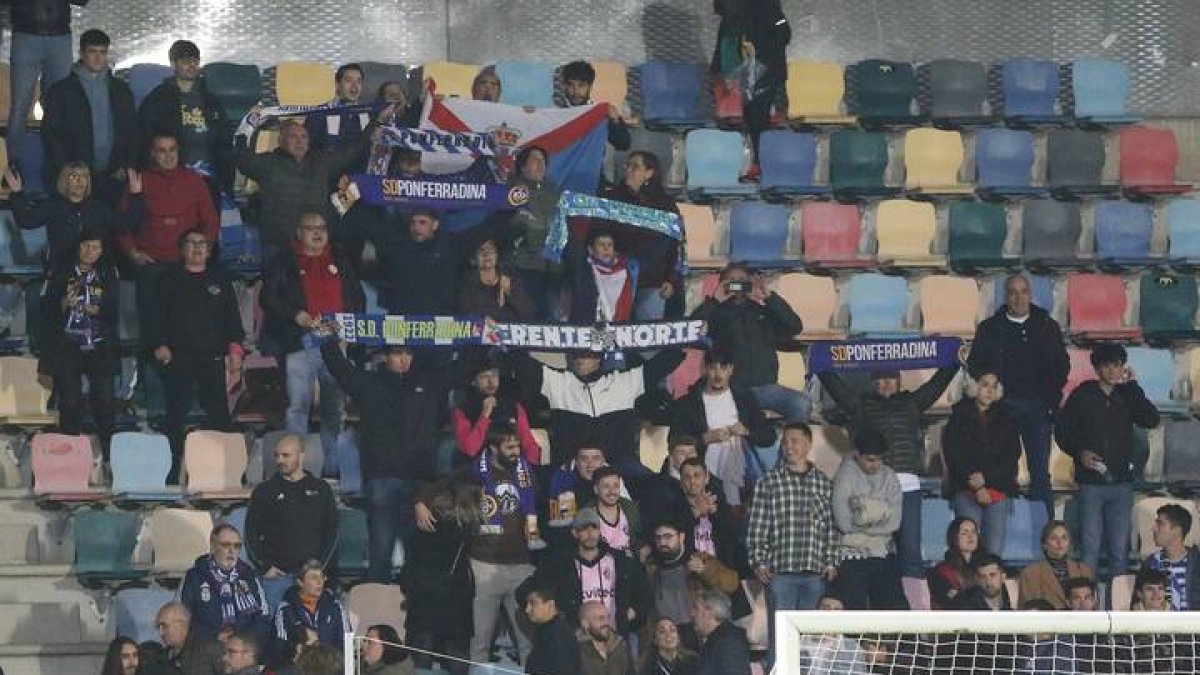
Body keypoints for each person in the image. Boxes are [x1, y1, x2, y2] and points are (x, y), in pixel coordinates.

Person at [320, 327, 460, 582]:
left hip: (421, 484)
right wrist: (329, 340)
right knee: (381, 554)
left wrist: (484, 337)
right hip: (382, 480)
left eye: (408, 353)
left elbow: (463, 370)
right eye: (397, 353)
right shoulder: (369, 384)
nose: (404, 359)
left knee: (419, 555)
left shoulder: (430, 383)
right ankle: (377, 616)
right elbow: (340, 369)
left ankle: (415, 614)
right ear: (385, 356)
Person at [818, 360, 959, 580]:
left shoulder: (912, 402)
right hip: (875, 486)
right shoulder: (860, 404)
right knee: (874, 549)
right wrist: (820, 362)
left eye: (891, 378)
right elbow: (836, 388)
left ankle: (912, 605)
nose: (886, 384)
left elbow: (938, 383)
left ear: (898, 380)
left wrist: (954, 360)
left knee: (910, 550)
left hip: (908, 486)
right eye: (881, 379)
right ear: (873, 382)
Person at [420, 425, 539, 665]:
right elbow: (433, 490)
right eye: (510, 447)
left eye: (518, 446)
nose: (517, 452)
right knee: (480, 640)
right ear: (493, 448)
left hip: (521, 565)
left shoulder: (526, 471)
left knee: (527, 640)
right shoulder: (471, 473)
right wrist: (419, 503)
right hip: (484, 566)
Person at [261, 212, 364, 468]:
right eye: (310, 228)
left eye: (322, 228)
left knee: (334, 408)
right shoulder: (284, 260)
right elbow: (268, 297)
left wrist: (350, 324)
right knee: (298, 406)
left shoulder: (339, 257)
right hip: (301, 342)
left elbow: (357, 295)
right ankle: (295, 467)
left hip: (336, 342)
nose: (317, 233)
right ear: (299, 232)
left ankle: (332, 468)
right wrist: (295, 315)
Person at [968, 273, 1070, 519]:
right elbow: (975, 365)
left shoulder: (1047, 326)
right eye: (1013, 292)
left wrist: (1050, 400)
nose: (1018, 297)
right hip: (1002, 408)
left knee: (1040, 474)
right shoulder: (989, 328)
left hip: (1038, 408)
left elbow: (1061, 367)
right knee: (1001, 471)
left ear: (1030, 295)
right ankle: (1006, 527)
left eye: (1023, 291)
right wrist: (992, 389)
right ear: (1006, 296)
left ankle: (1043, 530)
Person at [1057, 343, 1160, 580]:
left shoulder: (1127, 394)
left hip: (1121, 483)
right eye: (1108, 366)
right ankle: (1086, 604)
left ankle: (1117, 607)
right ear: (1097, 368)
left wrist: (1133, 386)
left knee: (1119, 552)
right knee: (1090, 550)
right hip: (1091, 483)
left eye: (1118, 365)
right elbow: (1062, 432)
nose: (1114, 371)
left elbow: (1150, 418)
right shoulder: (1082, 394)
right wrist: (1079, 452)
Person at [148, 228, 244, 480]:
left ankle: (231, 472)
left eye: (203, 243)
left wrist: (235, 353)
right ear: (182, 250)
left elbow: (233, 320)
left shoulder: (219, 280)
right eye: (191, 243)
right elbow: (154, 318)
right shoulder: (168, 280)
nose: (198, 248)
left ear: (209, 251)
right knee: (175, 417)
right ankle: (169, 470)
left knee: (221, 417)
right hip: (178, 358)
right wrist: (159, 344)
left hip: (212, 358)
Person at [235, 102, 390, 252]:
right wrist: (249, 122)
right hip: (280, 248)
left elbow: (353, 151)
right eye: (293, 137)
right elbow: (242, 157)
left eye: (304, 137)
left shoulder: (322, 162)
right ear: (281, 141)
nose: (299, 141)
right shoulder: (267, 164)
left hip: (316, 249)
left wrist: (377, 121)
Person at [511, 345, 684, 472]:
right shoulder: (558, 381)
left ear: (599, 357)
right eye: (576, 354)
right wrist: (501, 336)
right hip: (572, 468)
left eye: (586, 354)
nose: (579, 359)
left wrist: (686, 335)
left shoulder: (623, 382)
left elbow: (663, 364)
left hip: (619, 467)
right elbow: (522, 365)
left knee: (649, 483)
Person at [747, 423, 836, 664]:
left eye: (794, 441)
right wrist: (758, 561)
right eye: (785, 442)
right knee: (780, 636)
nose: (789, 446)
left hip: (813, 573)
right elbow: (757, 525)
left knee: (808, 638)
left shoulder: (824, 483)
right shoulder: (768, 483)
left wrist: (830, 561)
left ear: (808, 444)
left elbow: (830, 528)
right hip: (781, 573)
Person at [121, 133, 221, 338]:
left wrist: (201, 252)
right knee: (152, 331)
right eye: (162, 151)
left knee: (187, 328)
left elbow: (210, 221)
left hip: (186, 268)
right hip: (152, 267)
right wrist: (133, 253)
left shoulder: (194, 180)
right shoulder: (141, 181)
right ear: (152, 154)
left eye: (172, 149)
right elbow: (122, 225)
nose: (168, 156)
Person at [691, 263, 808, 422]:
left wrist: (770, 297)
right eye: (731, 280)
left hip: (767, 387)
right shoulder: (715, 312)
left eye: (741, 280)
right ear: (722, 284)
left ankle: (790, 444)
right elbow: (690, 329)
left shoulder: (762, 310)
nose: (737, 283)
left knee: (800, 403)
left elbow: (795, 327)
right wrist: (715, 300)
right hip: (732, 389)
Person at [42, 228, 119, 458]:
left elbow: (113, 311)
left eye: (95, 247)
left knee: (105, 402)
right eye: (86, 246)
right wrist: (63, 303)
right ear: (78, 247)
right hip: (68, 346)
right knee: (70, 403)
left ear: (102, 251)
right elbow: (45, 308)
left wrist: (95, 309)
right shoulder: (60, 272)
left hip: (98, 345)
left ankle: (107, 454)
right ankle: (70, 454)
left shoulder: (108, 273)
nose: (90, 251)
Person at [669, 346, 776, 507]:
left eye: (723, 368)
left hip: (743, 473)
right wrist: (705, 438)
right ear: (705, 369)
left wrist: (746, 432)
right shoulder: (689, 403)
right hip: (707, 477)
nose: (718, 375)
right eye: (713, 368)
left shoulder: (744, 398)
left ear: (731, 369)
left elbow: (769, 436)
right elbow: (674, 442)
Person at [520, 507, 652, 638]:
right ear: (575, 533)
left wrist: (628, 614)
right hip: (579, 643)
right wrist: (557, 621)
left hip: (616, 640)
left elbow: (645, 593)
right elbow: (524, 592)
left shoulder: (621, 561)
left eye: (594, 528)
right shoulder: (560, 565)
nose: (590, 533)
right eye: (584, 528)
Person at [41, 29, 138, 204]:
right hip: (75, 179)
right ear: (81, 53)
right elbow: (50, 132)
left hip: (114, 177)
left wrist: (125, 166)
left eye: (102, 52)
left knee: (110, 228)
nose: (98, 58)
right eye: (92, 52)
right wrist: (67, 170)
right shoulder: (61, 90)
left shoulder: (121, 90)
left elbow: (132, 131)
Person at [404, 477, 480, 675]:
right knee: (456, 658)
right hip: (454, 598)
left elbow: (411, 560)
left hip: (423, 599)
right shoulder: (466, 525)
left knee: (420, 661)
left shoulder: (424, 523)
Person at [942, 370, 1022, 556]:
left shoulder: (1007, 419)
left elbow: (1011, 456)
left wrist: (985, 480)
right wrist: (977, 486)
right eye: (985, 384)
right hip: (966, 489)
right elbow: (954, 456)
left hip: (998, 489)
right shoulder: (958, 417)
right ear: (973, 386)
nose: (989, 390)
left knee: (994, 551)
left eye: (994, 386)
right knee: (966, 550)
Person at [246, 434, 338, 591]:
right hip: (277, 578)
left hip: (313, 577)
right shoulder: (264, 491)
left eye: (286, 455)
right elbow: (250, 534)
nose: (279, 461)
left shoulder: (322, 489)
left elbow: (332, 532)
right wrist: (266, 567)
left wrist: (319, 568)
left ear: (301, 456)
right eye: (277, 456)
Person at [138, 40, 232, 192]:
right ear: (173, 65)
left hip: (209, 176)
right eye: (186, 62)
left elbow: (224, 140)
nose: (192, 66)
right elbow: (144, 136)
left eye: (195, 61)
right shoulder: (158, 98)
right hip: (171, 176)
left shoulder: (211, 100)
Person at [711, 0, 790, 177]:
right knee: (752, 120)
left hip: (766, 72)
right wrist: (717, 71)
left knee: (760, 119)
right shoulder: (730, 19)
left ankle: (765, 165)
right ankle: (758, 163)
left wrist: (758, 49)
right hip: (746, 74)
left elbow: (784, 34)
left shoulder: (768, 7)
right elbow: (724, 43)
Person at [831, 429, 907, 610]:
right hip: (852, 557)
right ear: (858, 454)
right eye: (870, 460)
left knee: (893, 615)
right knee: (854, 617)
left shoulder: (890, 476)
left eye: (879, 459)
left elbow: (894, 523)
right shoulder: (844, 475)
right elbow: (843, 523)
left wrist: (862, 515)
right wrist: (881, 513)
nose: (876, 465)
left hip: (884, 554)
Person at [8, 1, 90, 166]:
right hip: (26, 34)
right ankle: (12, 164)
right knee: (21, 104)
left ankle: (62, 164)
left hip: (59, 35)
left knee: (60, 104)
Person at [602, 151, 681, 321]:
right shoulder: (612, 199)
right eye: (627, 166)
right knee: (613, 334)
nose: (629, 170)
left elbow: (676, 244)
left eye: (635, 166)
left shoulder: (665, 205)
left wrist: (671, 279)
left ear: (649, 173)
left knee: (647, 339)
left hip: (653, 281)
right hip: (616, 279)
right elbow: (600, 235)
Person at [6, 162, 125, 271]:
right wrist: (17, 193)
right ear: (65, 181)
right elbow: (26, 221)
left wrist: (136, 195)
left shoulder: (98, 208)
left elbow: (125, 225)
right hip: (61, 270)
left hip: (94, 272)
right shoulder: (53, 206)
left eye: (84, 176)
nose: (80, 181)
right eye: (74, 176)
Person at [643, 519, 739, 651]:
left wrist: (704, 570)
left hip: (696, 632)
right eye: (658, 538)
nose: (662, 543)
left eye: (668, 537)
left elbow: (731, 583)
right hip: (667, 637)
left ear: (681, 537)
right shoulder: (651, 567)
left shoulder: (698, 558)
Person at [180, 523, 271, 643]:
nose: (232, 551)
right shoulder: (195, 576)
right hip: (207, 646)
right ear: (213, 547)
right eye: (226, 545)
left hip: (244, 646)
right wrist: (214, 636)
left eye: (237, 546)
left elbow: (263, 615)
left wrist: (244, 640)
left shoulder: (249, 575)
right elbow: (184, 618)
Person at [506, 146, 564, 321]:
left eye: (544, 161)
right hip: (523, 267)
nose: (541, 165)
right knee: (528, 318)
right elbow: (509, 225)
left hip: (551, 269)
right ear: (523, 167)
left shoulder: (553, 191)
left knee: (551, 321)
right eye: (535, 160)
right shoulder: (512, 190)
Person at [451, 358, 540, 464]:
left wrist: (531, 468)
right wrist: (484, 416)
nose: (491, 381)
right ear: (473, 382)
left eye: (494, 375)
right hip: (476, 468)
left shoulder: (513, 406)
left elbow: (528, 442)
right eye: (484, 377)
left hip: (511, 465)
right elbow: (470, 449)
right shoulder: (462, 411)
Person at [374, 208, 461, 315]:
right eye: (413, 223)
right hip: (402, 322)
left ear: (435, 225)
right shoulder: (397, 250)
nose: (416, 227)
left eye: (422, 222)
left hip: (439, 322)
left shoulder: (450, 248)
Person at [271, 560, 348, 662]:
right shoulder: (286, 609)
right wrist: (297, 648)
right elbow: (279, 646)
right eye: (314, 577)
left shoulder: (335, 606)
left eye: (322, 577)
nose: (320, 582)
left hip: (332, 667)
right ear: (300, 582)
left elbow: (346, 642)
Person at [1017, 520, 1095, 610]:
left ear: (1069, 543)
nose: (1059, 542)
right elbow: (1027, 609)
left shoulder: (1083, 570)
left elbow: (1093, 606)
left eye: (1064, 538)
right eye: (1054, 538)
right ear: (1044, 544)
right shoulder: (1030, 573)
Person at [456, 236, 536, 322]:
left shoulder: (510, 279)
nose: (486, 254)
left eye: (491, 249)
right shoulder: (466, 282)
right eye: (481, 250)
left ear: (497, 255)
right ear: (473, 259)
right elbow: (465, 312)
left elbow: (529, 314)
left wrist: (511, 292)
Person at [559, 60, 632, 151]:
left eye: (581, 85)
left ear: (590, 87)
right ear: (564, 86)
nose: (576, 91)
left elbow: (624, 145)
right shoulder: (556, 114)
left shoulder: (600, 113)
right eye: (571, 85)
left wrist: (615, 121)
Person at [570, 227, 638, 324]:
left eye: (610, 245)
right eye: (601, 244)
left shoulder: (626, 270)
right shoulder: (583, 271)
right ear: (590, 250)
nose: (606, 248)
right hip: (590, 326)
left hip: (620, 327)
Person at [1142, 503, 1200, 610]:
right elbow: (1137, 604)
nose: (1153, 529)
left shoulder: (1197, 563)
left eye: (1160, 524)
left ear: (1176, 530)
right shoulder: (1151, 563)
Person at [306, 63, 370, 150]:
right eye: (349, 81)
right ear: (337, 84)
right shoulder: (319, 113)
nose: (354, 86)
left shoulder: (367, 114)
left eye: (359, 82)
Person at [524, 586, 582, 675]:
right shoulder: (546, 629)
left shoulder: (558, 635)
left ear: (550, 604)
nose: (527, 610)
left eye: (533, 603)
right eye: (527, 604)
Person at [154, 601, 224, 675]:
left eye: (164, 626)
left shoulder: (210, 648)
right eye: (159, 628)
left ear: (180, 624)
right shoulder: (163, 658)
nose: (161, 633)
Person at [692, 589, 750, 675]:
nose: (692, 613)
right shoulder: (719, 639)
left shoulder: (729, 641)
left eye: (696, 608)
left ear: (709, 612)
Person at [928, 517, 980, 610]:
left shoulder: (985, 567)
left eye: (974, 532)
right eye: (964, 533)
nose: (970, 536)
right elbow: (949, 602)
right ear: (954, 538)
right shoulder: (941, 571)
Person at [590, 466, 644, 556]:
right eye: (606, 486)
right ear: (596, 489)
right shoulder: (588, 515)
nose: (612, 491)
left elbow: (639, 539)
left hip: (631, 563)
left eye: (616, 486)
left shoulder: (630, 508)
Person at [578, 600, 633, 675]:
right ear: (585, 624)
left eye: (608, 617)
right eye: (601, 618)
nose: (606, 622)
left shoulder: (621, 646)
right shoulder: (575, 650)